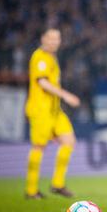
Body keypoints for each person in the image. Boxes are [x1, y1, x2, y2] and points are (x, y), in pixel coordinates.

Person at [25, 29, 80, 199]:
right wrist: (66, 95)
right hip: (41, 110)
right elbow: (42, 83)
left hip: (55, 111)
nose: (54, 41)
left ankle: (57, 184)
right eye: (51, 38)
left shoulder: (51, 57)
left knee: (69, 141)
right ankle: (31, 190)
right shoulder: (39, 57)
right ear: (43, 39)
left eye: (57, 38)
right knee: (38, 147)